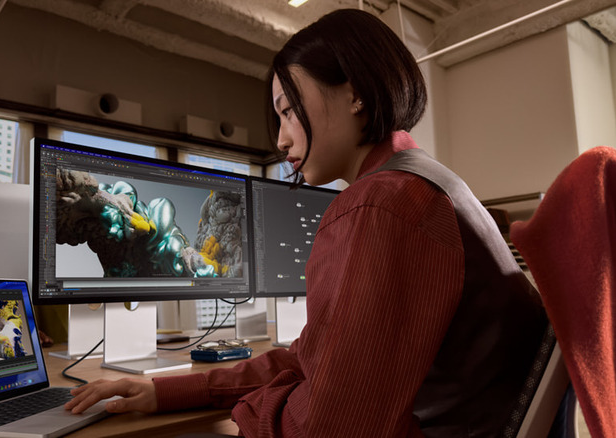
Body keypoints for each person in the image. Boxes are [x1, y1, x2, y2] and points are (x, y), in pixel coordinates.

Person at [64, 9, 548, 437]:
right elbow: (312, 359)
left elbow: (325, 427)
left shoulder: (378, 206)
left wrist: (248, 408)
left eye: (289, 111)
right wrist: (168, 392)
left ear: (355, 94)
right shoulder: (425, 184)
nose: (280, 139)